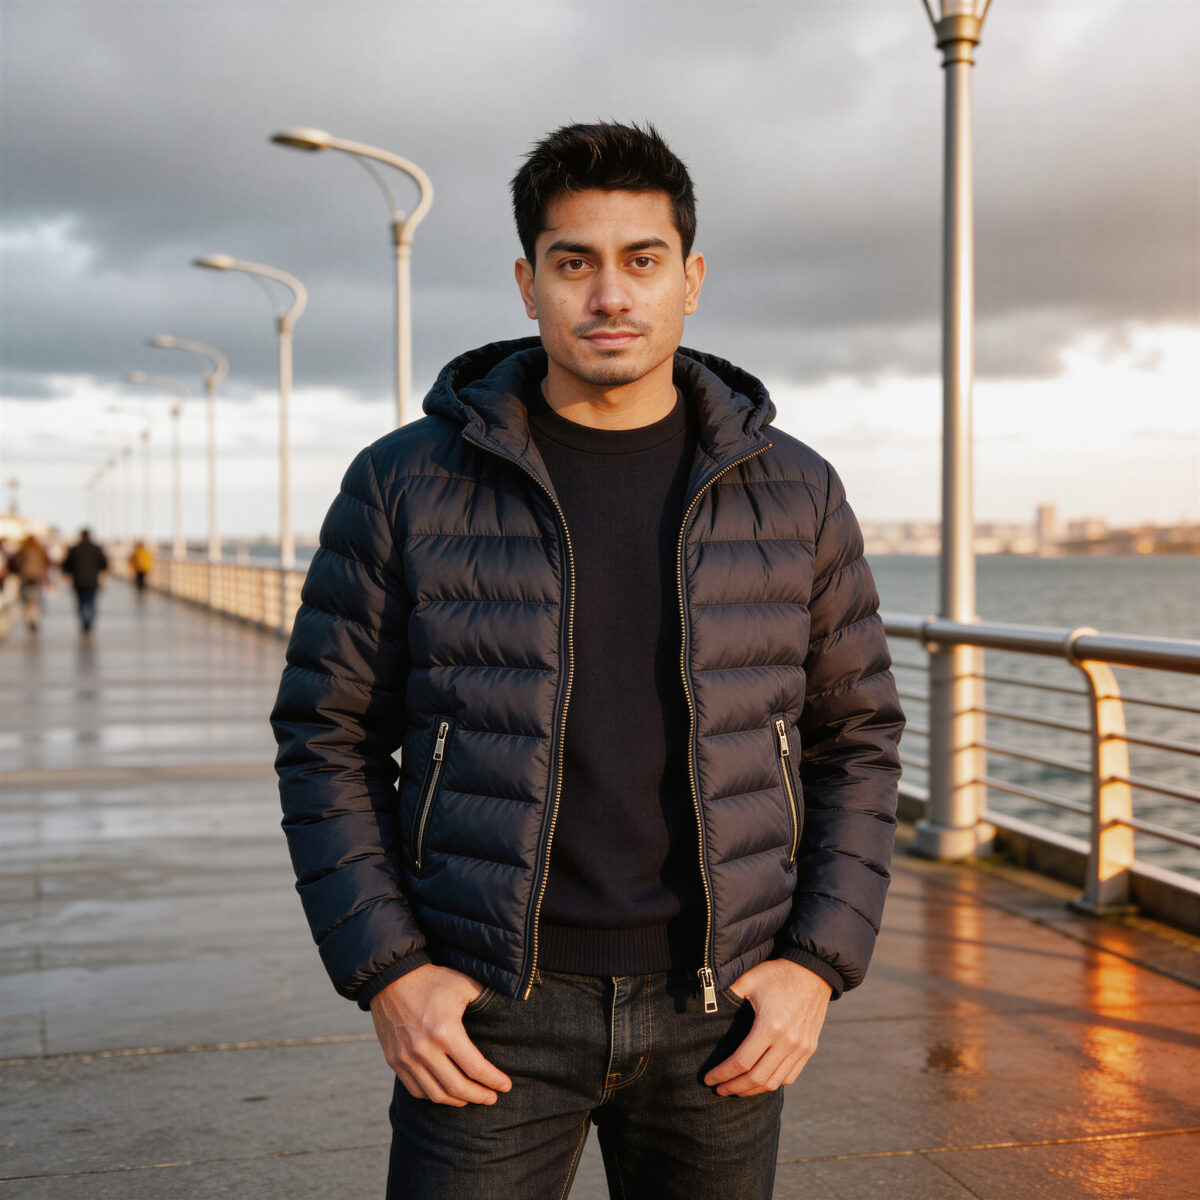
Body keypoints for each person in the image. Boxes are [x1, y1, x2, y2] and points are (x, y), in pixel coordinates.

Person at [272, 122, 904, 1199]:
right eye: (575, 263)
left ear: (691, 278)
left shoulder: (794, 492)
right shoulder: (405, 482)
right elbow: (323, 735)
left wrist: (814, 966)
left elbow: (859, 740)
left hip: (723, 1006)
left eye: (641, 260)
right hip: (484, 1007)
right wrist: (390, 973)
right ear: (529, 284)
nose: (610, 294)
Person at [61, 528, 109, 633]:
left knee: (81, 603)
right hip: (92, 581)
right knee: (91, 603)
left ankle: (84, 622)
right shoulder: (96, 548)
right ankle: (89, 622)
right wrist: (102, 578)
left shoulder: (74, 549)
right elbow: (104, 564)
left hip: (78, 582)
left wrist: (66, 576)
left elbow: (66, 565)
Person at [11, 533, 51, 634]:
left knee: (26, 600)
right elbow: (47, 562)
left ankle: (29, 620)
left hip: (25, 577)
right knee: (35, 600)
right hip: (37, 577)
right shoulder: (39, 550)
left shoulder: (22, 550)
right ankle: (35, 619)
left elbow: (16, 563)